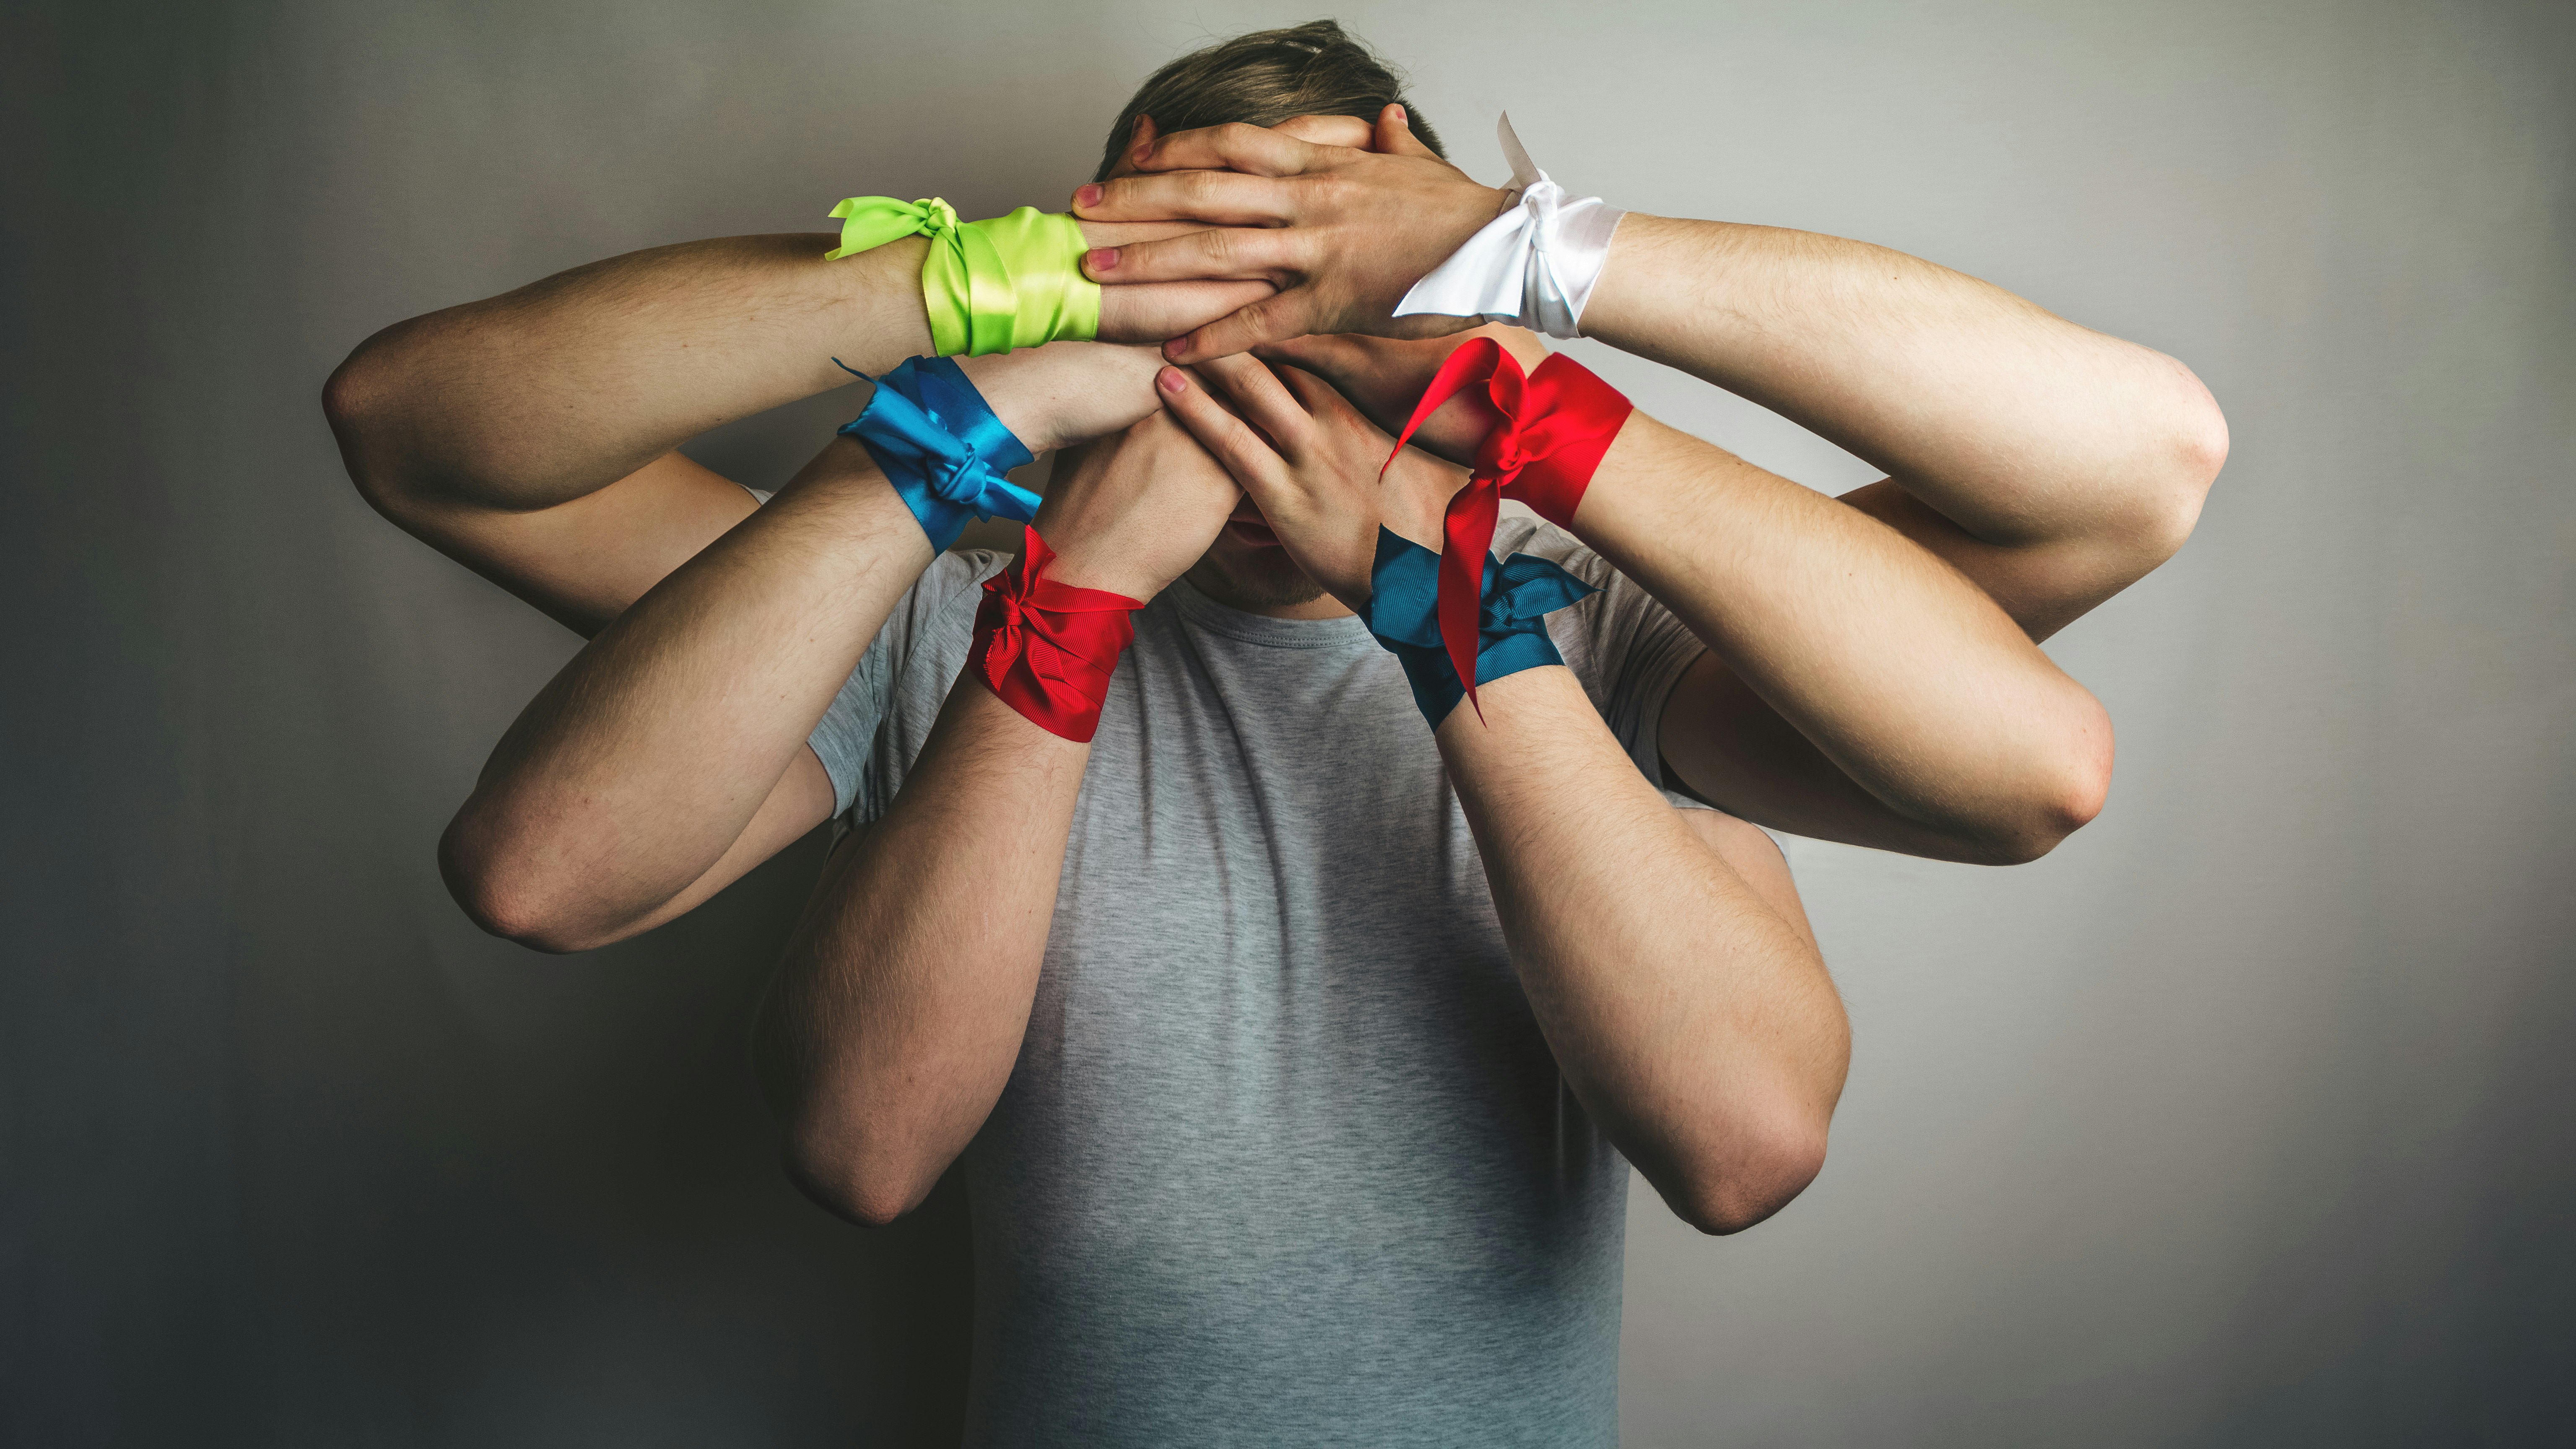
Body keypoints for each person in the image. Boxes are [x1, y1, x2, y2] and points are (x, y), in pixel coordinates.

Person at [323, 21, 2224, 1446]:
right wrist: (977, 314)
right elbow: (421, 436)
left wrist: (1521, 265)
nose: (1278, 350)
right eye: (1213, 284)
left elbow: (2131, 477)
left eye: (1340, 274)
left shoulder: (1616, 610)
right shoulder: (921, 604)